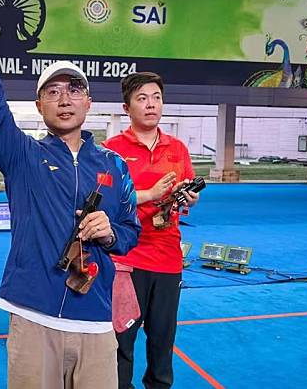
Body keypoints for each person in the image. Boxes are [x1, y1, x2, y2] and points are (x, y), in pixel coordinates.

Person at [0, 0, 141, 389]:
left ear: (88, 102)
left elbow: (132, 232)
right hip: (33, 315)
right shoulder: (23, 156)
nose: (64, 98)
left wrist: (110, 234)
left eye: (74, 89)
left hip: (95, 321)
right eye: (52, 92)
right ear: (39, 105)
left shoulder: (114, 165)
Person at [101, 72, 200, 389]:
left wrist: (188, 197)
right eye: (142, 98)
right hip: (125, 262)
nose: (151, 104)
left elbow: (180, 199)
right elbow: (103, 202)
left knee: (162, 342)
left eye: (156, 97)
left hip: (168, 260)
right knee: (121, 343)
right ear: (126, 107)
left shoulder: (178, 149)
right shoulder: (110, 151)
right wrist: (148, 194)